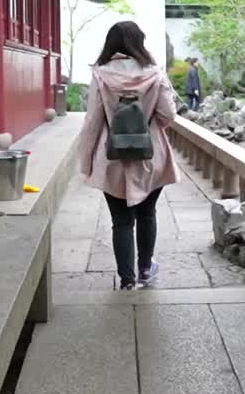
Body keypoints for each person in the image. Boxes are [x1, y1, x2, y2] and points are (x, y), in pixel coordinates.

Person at [76, 21, 179, 290]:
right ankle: (146, 270)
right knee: (147, 215)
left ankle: (127, 280)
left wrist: (86, 162)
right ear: (138, 43)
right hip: (150, 156)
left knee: (121, 222)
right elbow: (168, 115)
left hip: (112, 160)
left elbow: (93, 122)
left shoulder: (101, 75)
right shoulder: (155, 73)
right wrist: (150, 124)